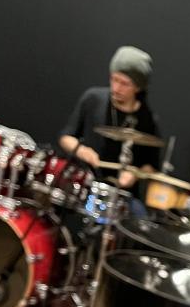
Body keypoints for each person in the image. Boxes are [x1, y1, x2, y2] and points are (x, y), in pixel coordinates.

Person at [59, 45, 161, 201]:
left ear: (138, 87)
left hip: (121, 196)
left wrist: (135, 175)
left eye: (124, 83)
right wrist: (82, 151)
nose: (116, 88)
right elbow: (66, 138)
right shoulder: (93, 98)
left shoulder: (147, 119)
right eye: (114, 79)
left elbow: (151, 166)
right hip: (85, 184)